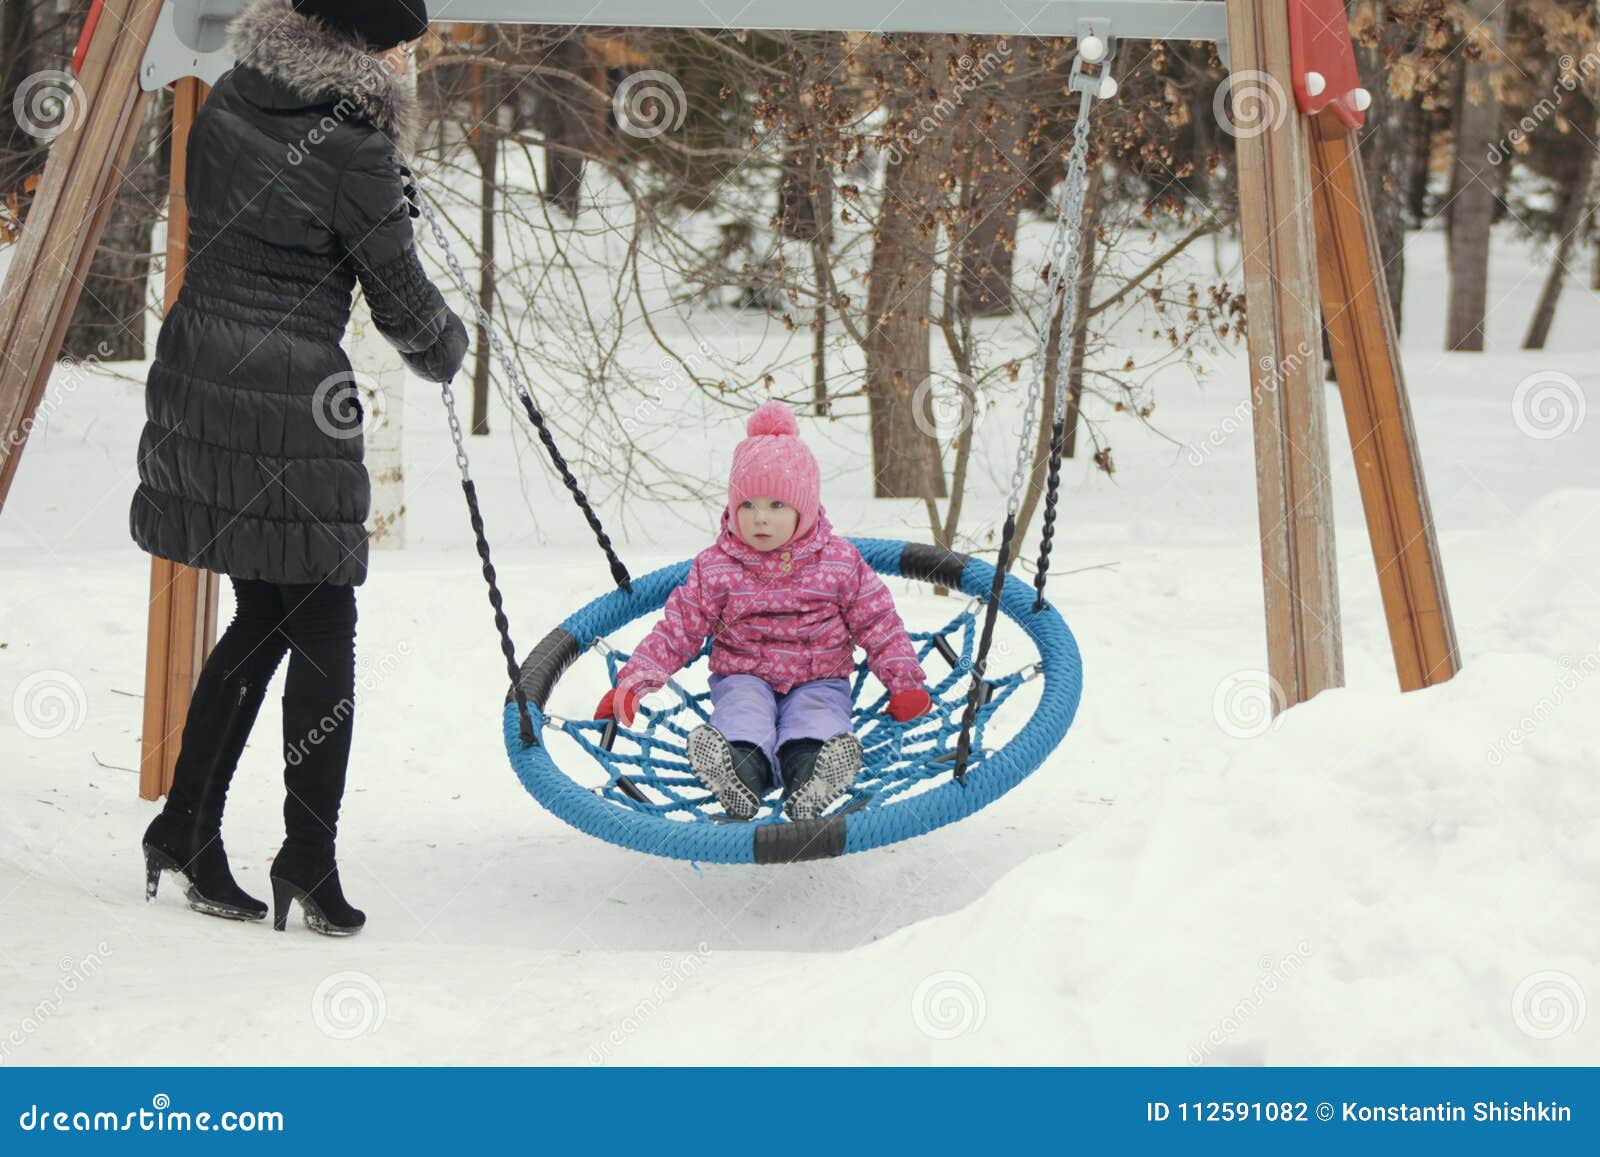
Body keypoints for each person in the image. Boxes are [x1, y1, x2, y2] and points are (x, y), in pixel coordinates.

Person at [131, 0, 466, 935]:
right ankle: (306, 859)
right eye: (401, 40)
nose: (407, 57)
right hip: (287, 402)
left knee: (268, 613)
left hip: (201, 373)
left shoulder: (234, 95)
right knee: (326, 621)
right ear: (364, 39)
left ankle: (186, 829)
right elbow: (404, 305)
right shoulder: (354, 146)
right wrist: (449, 348)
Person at [594, 402, 933, 821]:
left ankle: (813, 778)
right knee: (741, 718)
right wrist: (633, 683)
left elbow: (879, 624)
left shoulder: (839, 562)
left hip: (819, 678)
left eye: (776, 505)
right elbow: (677, 630)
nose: (760, 519)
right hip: (743, 676)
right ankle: (738, 775)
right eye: (748, 504)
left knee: (818, 723)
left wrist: (905, 684)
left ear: (803, 508)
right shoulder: (716, 566)